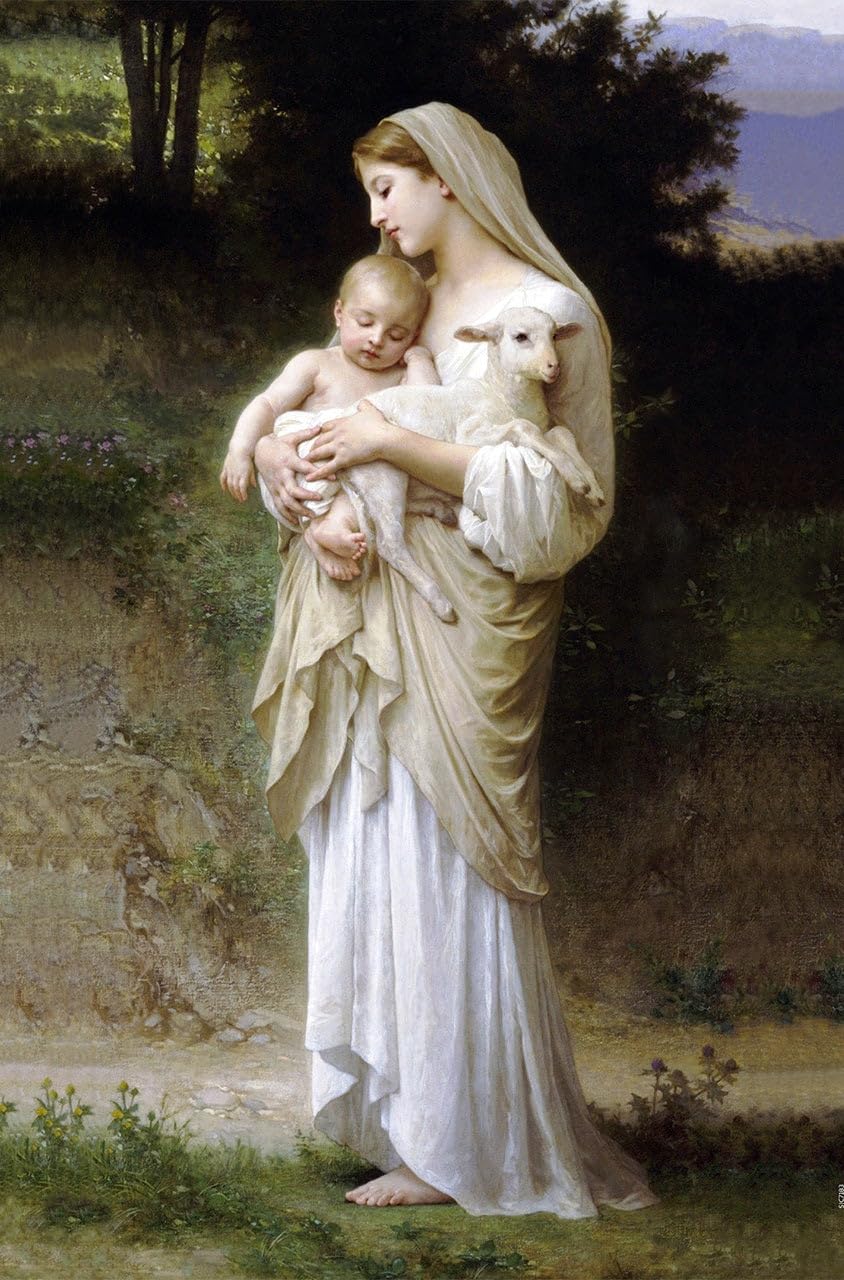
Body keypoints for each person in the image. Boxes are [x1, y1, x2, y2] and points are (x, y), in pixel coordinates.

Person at [251, 102, 661, 1218]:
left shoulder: (551, 313)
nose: (375, 218)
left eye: (386, 190)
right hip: (365, 607)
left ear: (444, 177)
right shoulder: (403, 308)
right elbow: (324, 426)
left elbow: (560, 514)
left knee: (444, 857)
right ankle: (407, 1121)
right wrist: (294, 487)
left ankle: (463, 1139)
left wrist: (391, 440)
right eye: (370, 196)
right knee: (376, 838)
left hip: (471, 622)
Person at [220, 255, 438, 580]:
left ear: (413, 336)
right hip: (304, 479)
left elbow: (429, 406)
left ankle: (324, 533)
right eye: (365, 323)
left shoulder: (399, 377)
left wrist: (419, 359)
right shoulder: (317, 364)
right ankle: (320, 527)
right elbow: (267, 404)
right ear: (339, 314)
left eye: (397, 336)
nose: (377, 339)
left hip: (357, 489)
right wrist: (240, 450)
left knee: (379, 472)